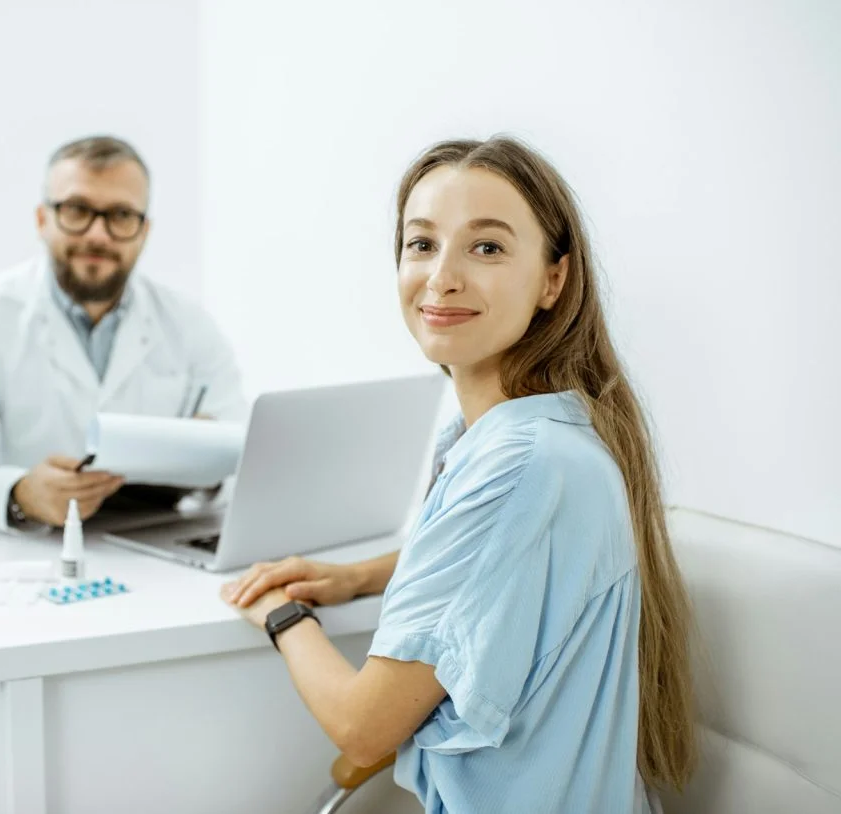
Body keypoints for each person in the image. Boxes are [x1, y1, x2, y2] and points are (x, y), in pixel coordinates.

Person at [222, 137, 696, 812]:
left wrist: (278, 612)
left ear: (553, 280)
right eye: (421, 244)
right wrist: (357, 577)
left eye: (487, 248)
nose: (442, 277)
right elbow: (499, 561)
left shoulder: (521, 466)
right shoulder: (527, 436)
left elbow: (363, 729)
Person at [0, 136, 246, 532]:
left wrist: (206, 459)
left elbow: (244, 449)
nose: (98, 235)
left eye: (121, 215)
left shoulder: (189, 324)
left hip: (151, 539)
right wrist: (20, 495)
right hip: (22, 554)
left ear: (144, 231)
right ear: (42, 219)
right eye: (77, 210)